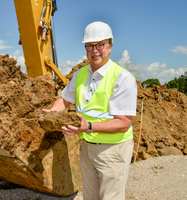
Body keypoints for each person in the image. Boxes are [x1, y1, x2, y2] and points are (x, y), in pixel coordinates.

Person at [42, 21, 137, 200]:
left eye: (100, 45)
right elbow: (64, 99)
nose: (95, 50)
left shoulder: (122, 78)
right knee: (90, 196)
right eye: (90, 46)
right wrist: (52, 113)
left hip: (113, 149)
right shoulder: (81, 74)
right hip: (87, 147)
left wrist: (89, 126)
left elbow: (124, 123)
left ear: (110, 47)